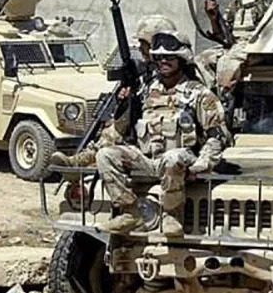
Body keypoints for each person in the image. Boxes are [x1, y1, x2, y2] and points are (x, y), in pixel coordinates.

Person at [95, 31, 231, 237]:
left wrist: (201, 165)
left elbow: (217, 136)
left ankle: (172, 214)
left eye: (169, 57)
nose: (163, 62)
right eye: (158, 57)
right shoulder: (145, 90)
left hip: (181, 163)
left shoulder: (198, 94)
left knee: (172, 157)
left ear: (182, 59)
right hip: (149, 161)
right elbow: (124, 130)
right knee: (105, 155)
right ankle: (130, 213)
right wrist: (124, 105)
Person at [50, 15, 178, 168]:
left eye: (144, 44)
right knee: (114, 127)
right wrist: (126, 101)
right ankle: (83, 158)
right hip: (143, 128)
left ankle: (88, 159)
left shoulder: (172, 73)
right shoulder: (147, 73)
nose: (140, 48)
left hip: (163, 137)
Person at [199, 0, 273, 113]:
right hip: (236, 46)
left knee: (227, 62)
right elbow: (224, 34)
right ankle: (207, 105)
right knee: (201, 60)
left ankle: (225, 107)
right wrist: (213, 18)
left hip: (259, 46)